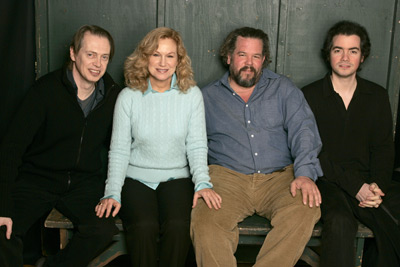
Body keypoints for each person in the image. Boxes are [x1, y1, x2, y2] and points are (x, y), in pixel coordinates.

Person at [190, 26, 323, 266]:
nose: (249, 63)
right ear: (229, 57)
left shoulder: (283, 89)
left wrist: (305, 174)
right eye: (242, 55)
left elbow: (304, 131)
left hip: (279, 178)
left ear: (264, 60)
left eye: (256, 56)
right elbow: (190, 144)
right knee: (206, 222)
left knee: (306, 207)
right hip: (227, 179)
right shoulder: (206, 97)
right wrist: (200, 181)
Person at [95, 27, 221, 267]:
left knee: (178, 226)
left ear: (179, 60)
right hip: (136, 177)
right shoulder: (128, 96)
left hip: (177, 177)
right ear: (145, 58)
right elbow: (119, 150)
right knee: (144, 226)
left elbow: (196, 145)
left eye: (170, 55)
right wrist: (112, 191)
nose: (162, 62)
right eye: (156, 54)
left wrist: (203, 182)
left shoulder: (192, 95)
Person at [0, 25, 121, 267]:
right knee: (3, 232)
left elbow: (120, 149)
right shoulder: (44, 91)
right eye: (90, 54)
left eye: (104, 56)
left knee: (102, 231)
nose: (97, 63)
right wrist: (2, 206)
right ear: (73, 53)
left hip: (82, 184)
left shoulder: (113, 96)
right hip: (37, 179)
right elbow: (11, 149)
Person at [302, 20, 400, 267]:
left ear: (362, 56)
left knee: (391, 213)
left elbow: (383, 148)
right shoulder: (309, 95)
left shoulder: (376, 96)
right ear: (329, 54)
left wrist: (376, 186)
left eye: (353, 51)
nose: (345, 57)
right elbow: (312, 153)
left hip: (369, 180)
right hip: (327, 181)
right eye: (338, 50)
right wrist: (356, 186)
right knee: (340, 222)